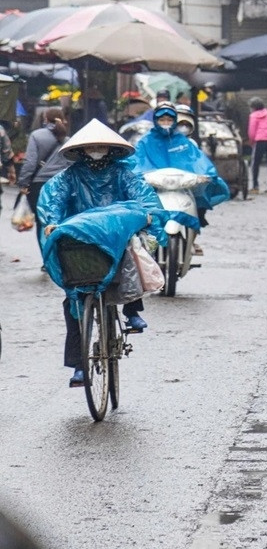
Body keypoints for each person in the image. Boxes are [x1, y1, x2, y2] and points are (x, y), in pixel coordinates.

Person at [38, 119, 162, 387]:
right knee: (74, 304)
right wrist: (52, 222)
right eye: (90, 147)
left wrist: (148, 214)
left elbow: (143, 196)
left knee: (134, 252)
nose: (95, 150)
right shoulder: (69, 177)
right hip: (82, 239)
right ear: (82, 151)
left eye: (100, 146)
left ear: (109, 149)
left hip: (117, 236)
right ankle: (80, 366)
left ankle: (132, 309)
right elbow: (53, 201)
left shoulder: (123, 174)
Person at [132, 102, 230, 244]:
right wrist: (138, 175)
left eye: (169, 120)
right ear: (155, 120)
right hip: (154, 188)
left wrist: (206, 174)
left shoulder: (183, 142)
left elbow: (197, 160)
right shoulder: (145, 141)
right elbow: (137, 161)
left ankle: (192, 241)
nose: (166, 123)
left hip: (182, 187)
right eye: (162, 120)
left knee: (198, 207)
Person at [18, 108, 70, 241]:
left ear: (45, 119)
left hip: (39, 185)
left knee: (42, 221)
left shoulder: (36, 135)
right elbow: (71, 164)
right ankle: (58, 257)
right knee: (60, 220)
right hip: (62, 183)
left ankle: (46, 256)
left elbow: (30, 162)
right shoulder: (68, 139)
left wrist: (24, 183)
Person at [247, 97, 267, 194]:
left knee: (255, 164)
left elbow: (252, 131)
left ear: (253, 107)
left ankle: (255, 186)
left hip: (260, 141)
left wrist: (251, 142)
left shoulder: (253, 116)